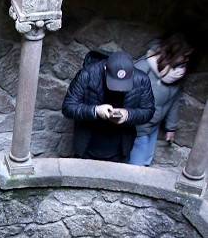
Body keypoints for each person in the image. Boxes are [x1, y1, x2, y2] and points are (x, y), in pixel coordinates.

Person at [62, 49, 154, 162]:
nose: (119, 89)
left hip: (121, 149)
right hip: (88, 146)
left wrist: (127, 114)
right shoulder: (87, 75)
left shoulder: (141, 80)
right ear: (105, 69)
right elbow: (68, 106)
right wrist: (96, 111)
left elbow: (148, 111)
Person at [129, 34, 194, 166]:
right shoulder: (143, 68)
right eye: (185, 55)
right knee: (137, 163)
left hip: (154, 125)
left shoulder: (176, 75)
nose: (187, 60)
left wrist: (171, 127)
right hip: (137, 126)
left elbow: (173, 102)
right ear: (174, 52)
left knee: (147, 158)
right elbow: (127, 96)